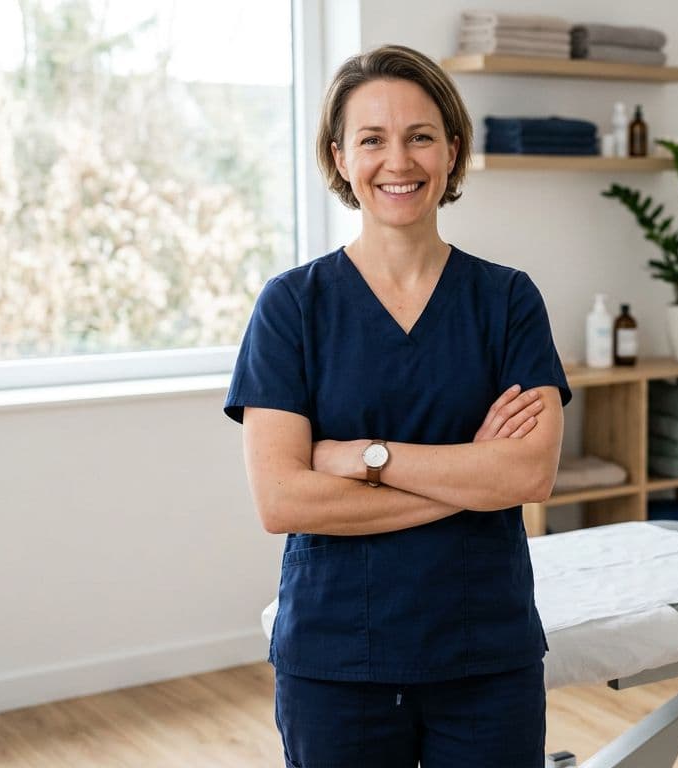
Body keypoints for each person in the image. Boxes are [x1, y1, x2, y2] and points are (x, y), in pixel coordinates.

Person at [223, 44, 571, 767]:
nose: (399, 161)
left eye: (419, 136)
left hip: (484, 653)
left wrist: (363, 459)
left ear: (450, 148)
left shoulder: (507, 300)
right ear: (340, 157)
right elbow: (283, 499)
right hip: (337, 659)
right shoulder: (293, 306)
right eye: (372, 139)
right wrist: (473, 476)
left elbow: (528, 478)